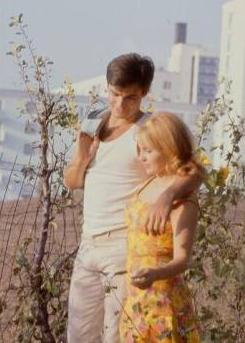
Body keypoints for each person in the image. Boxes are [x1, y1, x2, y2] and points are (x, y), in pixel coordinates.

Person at [64, 53, 204, 343]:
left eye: (130, 97)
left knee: (116, 337)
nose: (119, 104)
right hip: (88, 245)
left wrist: (167, 196)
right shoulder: (94, 123)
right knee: (79, 338)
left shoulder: (149, 130)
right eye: (114, 94)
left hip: (122, 246)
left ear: (144, 93)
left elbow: (197, 171)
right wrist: (81, 157)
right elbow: (72, 181)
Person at [119, 112, 203, 342]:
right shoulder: (149, 182)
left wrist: (155, 274)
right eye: (140, 150)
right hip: (136, 303)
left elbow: (182, 260)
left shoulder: (182, 201)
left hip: (164, 305)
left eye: (148, 151)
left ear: (169, 150)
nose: (141, 158)